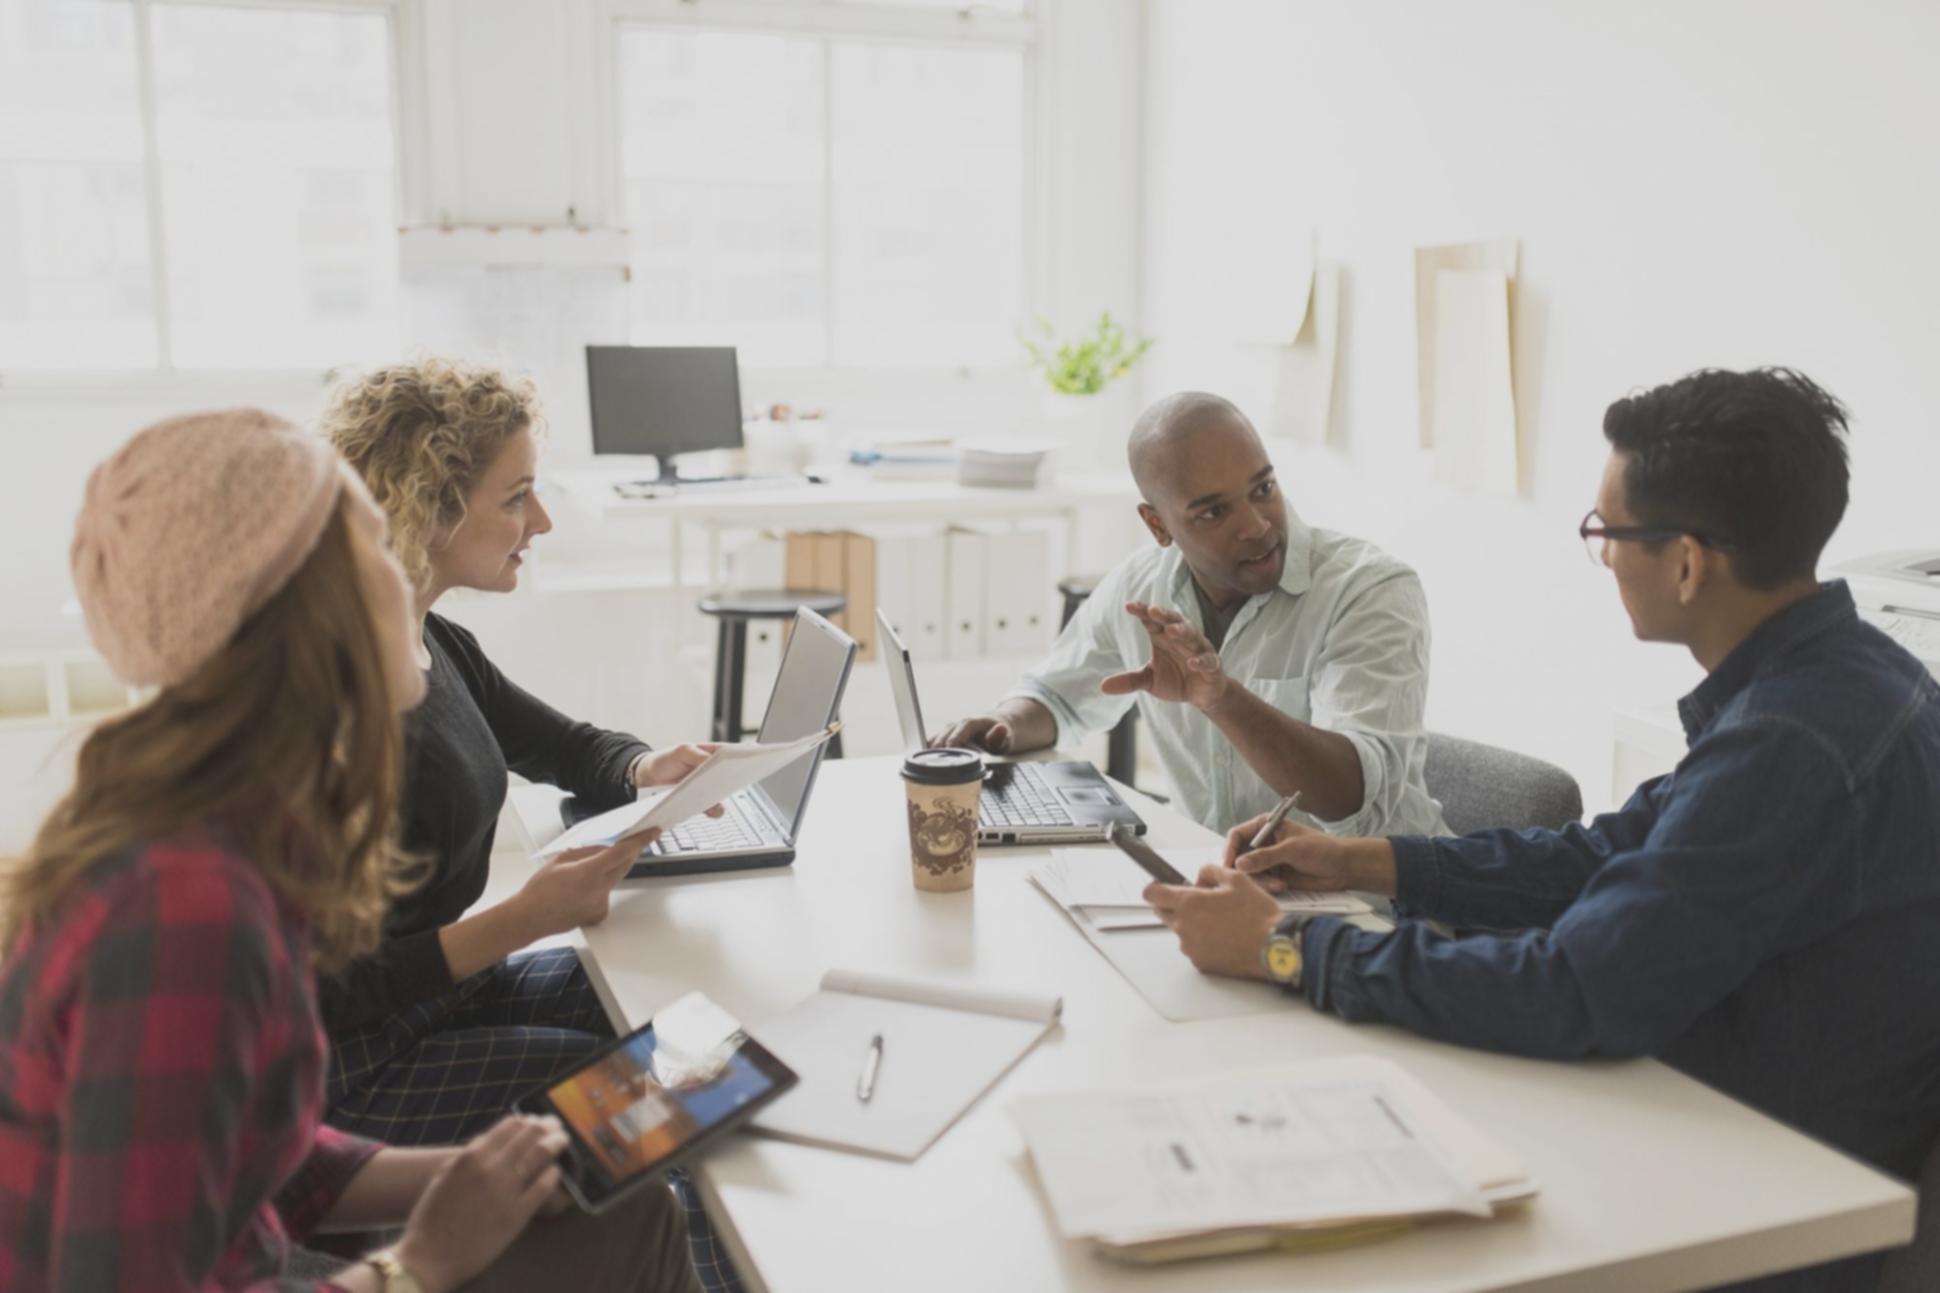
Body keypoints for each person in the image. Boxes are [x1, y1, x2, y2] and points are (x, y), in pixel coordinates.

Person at [1146, 368, 1940, 1292]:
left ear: (1686, 562)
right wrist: (1364, 858)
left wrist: (1286, 948)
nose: (1599, 554)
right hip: (1713, 1123)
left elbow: (1575, 990)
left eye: (1605, 531)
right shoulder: (1840, 675)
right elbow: (1612, 851)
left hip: (1757, 1203)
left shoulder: (1790, 744)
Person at [0, 410, 699, 1293]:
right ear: (301, 604)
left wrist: (466, 1177)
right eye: (370, 538)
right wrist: (418, 1262)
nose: (399, 562)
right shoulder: (186, 910)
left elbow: (259, 1148)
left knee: (632, 1197)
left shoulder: (238, 827)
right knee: (634, 1198)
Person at [319, 358, 737, 1289]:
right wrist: (526, 917)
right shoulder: (339, 700)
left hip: (442, 1001)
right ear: (427, 506)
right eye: (517, 499)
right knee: (660, 1088)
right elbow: (322, 989)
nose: (540, 524)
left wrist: (642, 767)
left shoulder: (434, 640)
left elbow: (566, 744)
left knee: (703, 1040)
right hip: (359, 1071)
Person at [933, 391, 1446, 838]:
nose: (1256, 526)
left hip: (1374, 914)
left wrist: (1222, 698)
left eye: (1263, 489)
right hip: (1228, 893)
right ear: (1158, 525)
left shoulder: (1369, 591)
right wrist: (1001, 724)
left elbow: (1350, 799)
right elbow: (1056, 698)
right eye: (1214, 512)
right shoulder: (1140, 587)